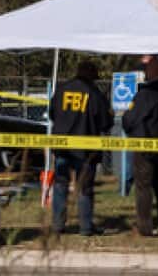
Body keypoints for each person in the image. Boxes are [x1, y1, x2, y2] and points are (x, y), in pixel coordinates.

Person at [49, 60, 112, 236]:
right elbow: (106, 123)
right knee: (85, 187)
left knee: (61, 184)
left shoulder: (61, 89)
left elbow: (52, 113)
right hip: (86, 149)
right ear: (91, 74)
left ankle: (58, 225)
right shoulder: (94, 93)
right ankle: (85, 227)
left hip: (62, 145)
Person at [122, 55, 158, 236]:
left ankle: (144, 227)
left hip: (146, 146)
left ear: (152, 71)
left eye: (146, 70)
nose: (144, 73)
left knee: (143, 187)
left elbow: (129, 119)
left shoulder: (146, 94)